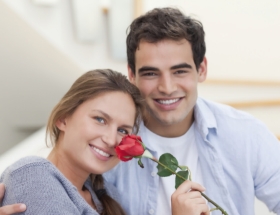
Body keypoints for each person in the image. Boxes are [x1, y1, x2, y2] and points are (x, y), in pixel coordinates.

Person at [1, 7, 280, 215]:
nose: (167, 87)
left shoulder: (245, 134)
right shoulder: (104, 159)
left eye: (179, 71)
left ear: (202, 69)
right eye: (150, 73)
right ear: (132, 75)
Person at [0, 69, 145, 214]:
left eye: (123, 130)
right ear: (63, 119)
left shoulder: (109, 196)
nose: (111, 140)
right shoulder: (33, 175)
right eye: (100, 119)